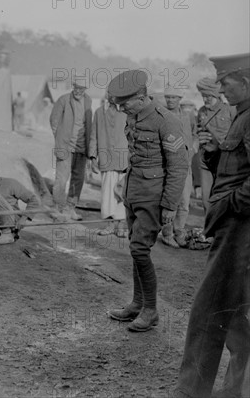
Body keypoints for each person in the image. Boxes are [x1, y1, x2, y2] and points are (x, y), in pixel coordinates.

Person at [173, 53, 250, 398]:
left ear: (246, 82)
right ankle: (236, 388)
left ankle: (193, 391)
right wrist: (216, 153)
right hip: (236, 226)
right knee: (232, 308)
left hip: (239, 228)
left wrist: (230, 204)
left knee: (209, 307)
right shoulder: (242, 115)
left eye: (226, 82)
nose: (221, 88)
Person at [106, 70, 188, 332]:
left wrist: (170, 205)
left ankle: (150, 310)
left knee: (140, 249)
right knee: (135, 247)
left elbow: (178, 167)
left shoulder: (167, 121)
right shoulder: (134, 116)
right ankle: (137, 303)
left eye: (124, 104)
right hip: (134, 192)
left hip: (154, 196)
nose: (121, 109)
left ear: (141, 98)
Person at [49, 76, 94, 221]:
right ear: (72, 86)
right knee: (61, 179)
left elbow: (88, 123)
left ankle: (70, 208)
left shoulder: (88, 101)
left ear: (85, 89)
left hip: (81, 147)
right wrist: (60, 138)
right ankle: (57, 208)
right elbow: (54, 120)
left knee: (78, 179)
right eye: (76, 87)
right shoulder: (63, 100)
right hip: (65, 146)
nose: (78, 91)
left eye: (81, 88)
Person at [161, 85, 197, 248]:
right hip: (169, 167)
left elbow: (195, 134)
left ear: (180, 99)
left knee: (184, 200)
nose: (170, 100)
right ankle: (167, 233)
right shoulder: (162, 115)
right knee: (171, 200)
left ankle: (179, 231)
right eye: (168, 97)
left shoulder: (188, 116)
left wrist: (194, 147)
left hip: (186, 165)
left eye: (174, 97)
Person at [89, 94, 129, 238]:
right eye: (110, 95)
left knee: (122, 193)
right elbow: (94, 135)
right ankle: (110, 225)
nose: (113, 98)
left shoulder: (126, 112)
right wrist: (93, 157)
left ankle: (122, 225)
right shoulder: (99, 112)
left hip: (124, 159)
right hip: (106, 159)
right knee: (107, 194)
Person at [195, 77, 236, 214]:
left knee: (223, 200)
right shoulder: (201, 111)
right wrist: (199, 138)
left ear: (217, 95)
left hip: (224, 160)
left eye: (209, 96)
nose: (205, 99)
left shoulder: (230, 110)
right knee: (206, 201)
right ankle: (210, 234)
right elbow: (197, 133)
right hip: (206, 160)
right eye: (203, 96)